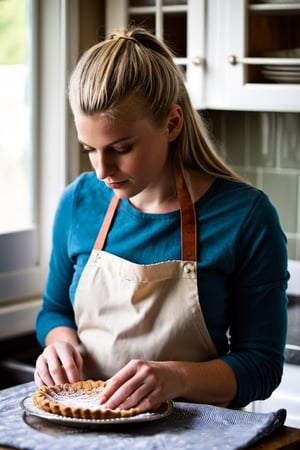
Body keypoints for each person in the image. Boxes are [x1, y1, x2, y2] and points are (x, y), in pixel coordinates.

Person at [34, 26, 289, 413]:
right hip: (86, 432)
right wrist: (59, 344)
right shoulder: (78, 202)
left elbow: (262, 366)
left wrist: (176, 378)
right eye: (90, 149)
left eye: (121, 148)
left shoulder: (246, 217)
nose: (103, 170)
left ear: (171, 123)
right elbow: (54, 311)